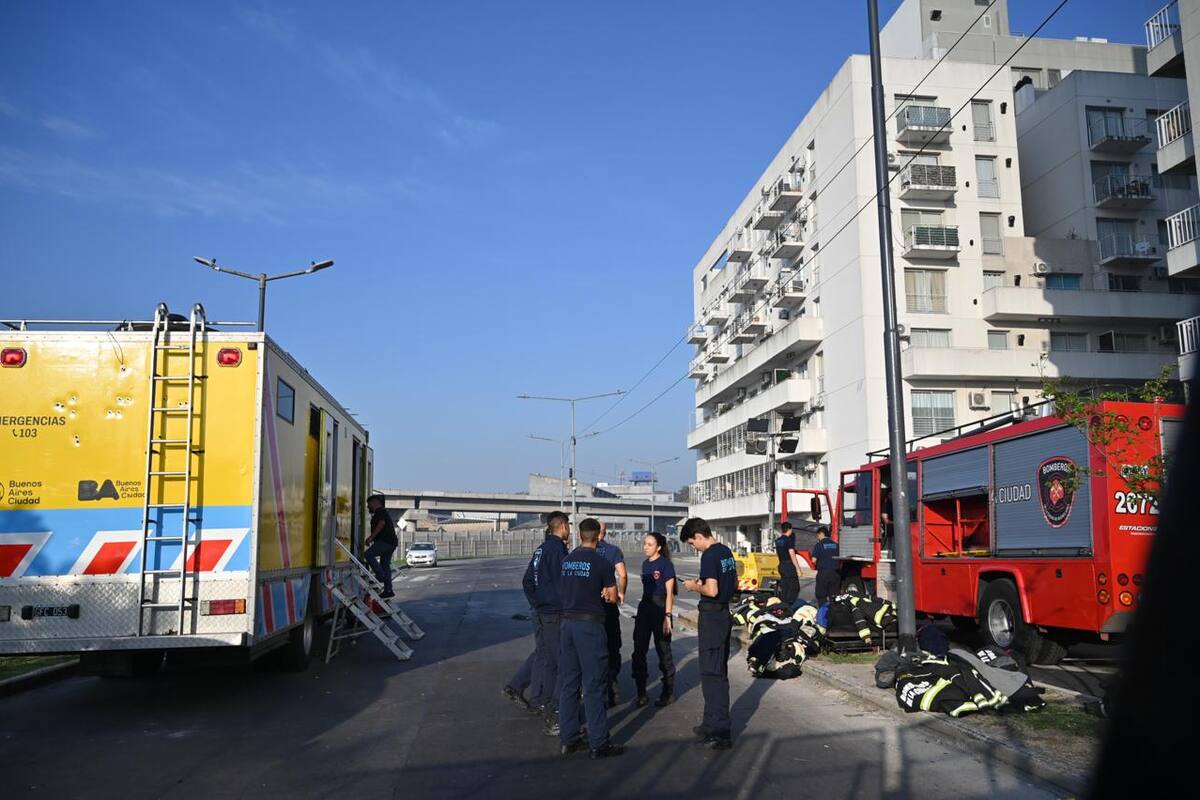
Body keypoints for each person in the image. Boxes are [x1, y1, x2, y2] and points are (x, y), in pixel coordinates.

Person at [557, 518, 624, 759]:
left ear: (579, 534)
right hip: (589, 625)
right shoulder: (602, 562)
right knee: (594, 685)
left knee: (569, 684)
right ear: (598, 536)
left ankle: (569, 738)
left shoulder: (566, 561)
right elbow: (613, 598)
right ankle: (599, 743)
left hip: (567, 624)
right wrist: (606, 592)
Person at [680, 517, 736, 750]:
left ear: (700, 536)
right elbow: (732, 583)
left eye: (693, 543)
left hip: (713, 617)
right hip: (723, 615)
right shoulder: (726, 552)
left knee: (712, 674)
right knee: (716, 670)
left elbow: (711, 590)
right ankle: (710, 721)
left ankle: (720, 730)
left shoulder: (710, 555)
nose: (694, 547)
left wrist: (695, 587)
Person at [524, 510, 570, 734]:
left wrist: (537, 603)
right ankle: (555, 712)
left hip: (541, 611)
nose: (569, 530)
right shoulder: (558, 550)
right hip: (554, 613)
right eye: (568, 525)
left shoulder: (540, 550)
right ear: (561, 526)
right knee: (560, 661)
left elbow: (527, 581)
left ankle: (540, 699)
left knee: (545, 658)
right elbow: (565, 583)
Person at [631, 531, 676, 708]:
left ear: (658, 547)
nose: (645, 547)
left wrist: (668, 616)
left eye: (649, 544)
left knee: (663, 652)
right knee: (638, 650)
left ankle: (668, 692)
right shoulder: (644, 564)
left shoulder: (666, 565)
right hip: (645, 608)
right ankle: (641, 692)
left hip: (660, 609)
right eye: (645, 544)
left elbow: (670, 593)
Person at [594, 521, 628, 708]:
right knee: (612, 646)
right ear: (604, 533)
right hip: (609, 606)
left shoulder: (581, 551)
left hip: (590, 607)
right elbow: (622, 575)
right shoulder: (613, 550)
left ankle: (594, 688)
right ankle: (612, 687)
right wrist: (621, 593)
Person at [363, 495, 398, 598]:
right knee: (385, 564)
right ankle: (388, 590)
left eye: (369, 504)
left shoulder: (380, 511)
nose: (368, 507)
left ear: (374, 502)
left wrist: (371, 538)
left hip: (385, 542)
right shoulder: (382, 512)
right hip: (391, 542)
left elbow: (381, 524)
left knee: (368, 554)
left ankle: (380, 575)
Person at [811, 525, 841, 607]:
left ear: (821, 534)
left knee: (821, 596)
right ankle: (835, 614)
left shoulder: (819, 545)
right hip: (835, 573)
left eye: (817, 535)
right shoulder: (836, 545)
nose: (817, 537)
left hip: (823, 574)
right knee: (834, 597)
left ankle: (823, 615)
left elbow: (814, 560)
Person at [774, 522, 801, 606]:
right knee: (794, 587)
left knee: (785, 588)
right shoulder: (788, 540)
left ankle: (783, 605)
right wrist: (798, 569)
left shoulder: (778, 541)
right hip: (789, 566)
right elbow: (792, 555)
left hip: (781, 565)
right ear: (790, 529)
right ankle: (789, 605)